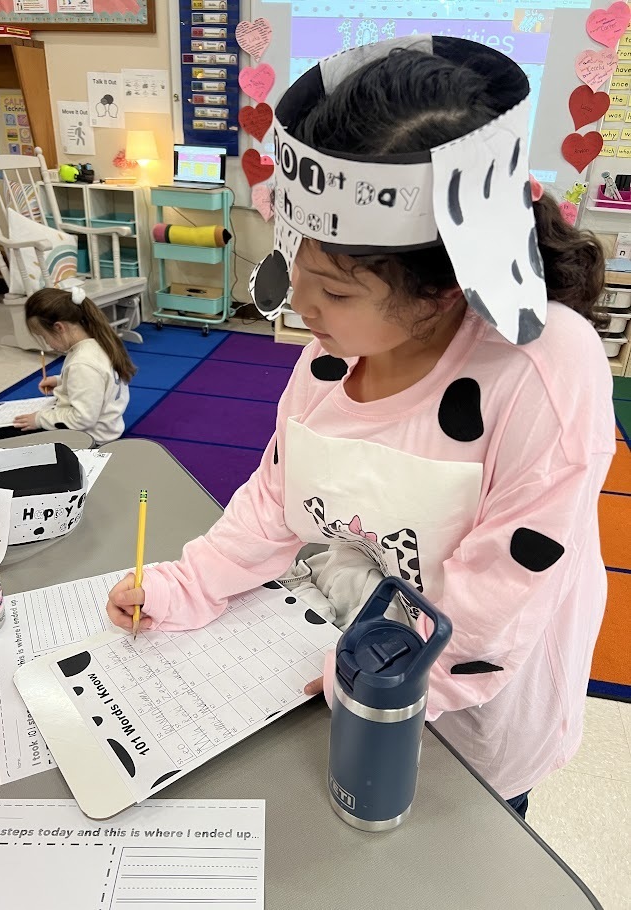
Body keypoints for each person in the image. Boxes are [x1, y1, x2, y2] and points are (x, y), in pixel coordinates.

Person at [106, 36, 615, 819]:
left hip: (478, 712)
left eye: (336, 291)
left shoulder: (543, 372)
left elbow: (506, 592)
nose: (302, 309)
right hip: (351, 660)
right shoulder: (329, 357)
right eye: (295, 267)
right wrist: (187, 585)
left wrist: (389, 691)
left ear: (444, 290)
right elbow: (277, 498)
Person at [14, 286, 136, 445]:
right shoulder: (98, 342)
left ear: (59, 327)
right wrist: (61, 381)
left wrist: (39, 419)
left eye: (44, 337)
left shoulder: (82, 363)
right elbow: (98, 381)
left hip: (90, 438)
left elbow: (82, 419)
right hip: (107, 429)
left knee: (5, 435)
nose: (47, 344)